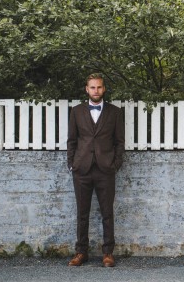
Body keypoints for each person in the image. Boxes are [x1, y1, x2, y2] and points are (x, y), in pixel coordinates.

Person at [67, 73, 125, 267]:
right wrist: (72, 163)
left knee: (107, 213)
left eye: (99, 87)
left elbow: (119, 142)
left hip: (105, 170)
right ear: (87, 89)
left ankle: (108, 253)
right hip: (82, 169)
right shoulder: (76, 111)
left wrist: (115, 164)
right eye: (92, 87)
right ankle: (80, 252)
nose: (96, 91)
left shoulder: (115, 113)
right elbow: (72, 140)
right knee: (82, 213)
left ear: (104, 89)